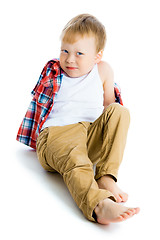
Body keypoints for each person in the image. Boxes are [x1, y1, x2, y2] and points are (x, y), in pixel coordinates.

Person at [16, 13, 140, 224]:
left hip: (87, 135)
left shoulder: (103, 71)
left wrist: (107, 132)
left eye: (79, 53)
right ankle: (98, 204)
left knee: (120, 111)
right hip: (57, 135)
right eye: (65, 50)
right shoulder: (55, 71)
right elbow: (38, 102)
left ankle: (106, 176)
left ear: (97, 56)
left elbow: (109, 107)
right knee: (75, 155)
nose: (69, 59)